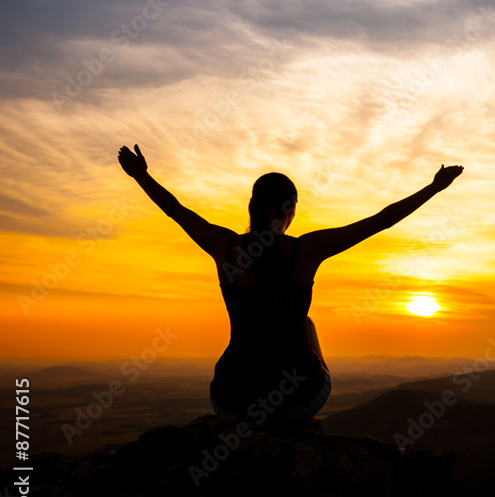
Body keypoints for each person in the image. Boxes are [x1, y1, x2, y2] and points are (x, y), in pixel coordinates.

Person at [117, 144, 463, 426]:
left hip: (231, 400)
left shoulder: (223, 246)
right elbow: (380, 221)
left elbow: (176, 210)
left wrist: (141, 176)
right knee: (307, 325)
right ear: (291, 211)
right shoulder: (306, 250)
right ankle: (298, 421)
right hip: (299, 400)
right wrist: (433, 187)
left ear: (251, 206)